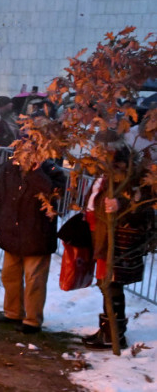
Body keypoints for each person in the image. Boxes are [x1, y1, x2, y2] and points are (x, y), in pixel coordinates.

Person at [81, 133, 153, 350]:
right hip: (102, 233)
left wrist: (120, 204)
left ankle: (115, 334)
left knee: (112, 283)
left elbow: (142, 203)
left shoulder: (129, 171)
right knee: (106, 283)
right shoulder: (106, 169)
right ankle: (107, 330)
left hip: (119, 237)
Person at [0, 159, 57, 334]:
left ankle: (32, 320)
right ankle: (13, 312)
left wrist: (36, 172)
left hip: (36, 234)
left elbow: (53, 192)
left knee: (34, 279)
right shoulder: (9, 168)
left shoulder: (50, 169)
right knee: (10, 276)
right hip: (11, 232)